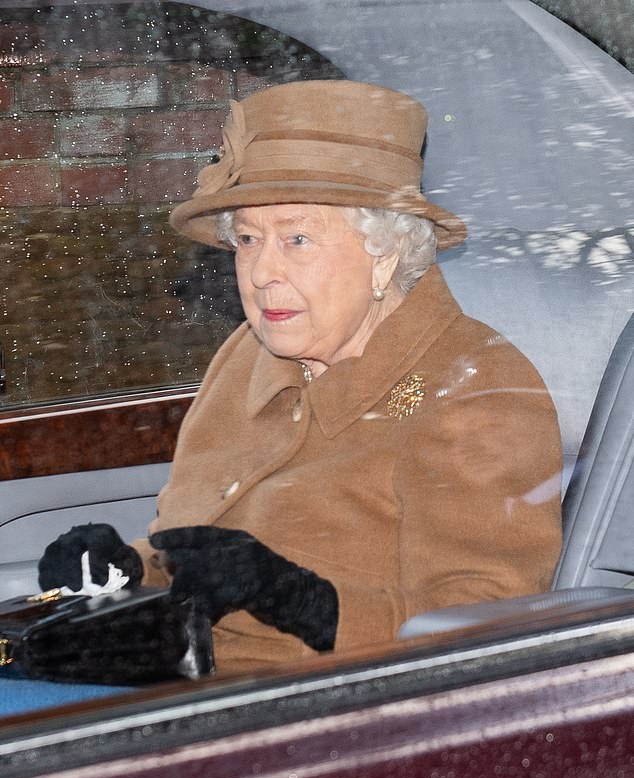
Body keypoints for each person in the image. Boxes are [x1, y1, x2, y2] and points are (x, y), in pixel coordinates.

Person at [38, 80, 563, 677]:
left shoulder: (473, 384)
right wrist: (125, 568)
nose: (262, 272)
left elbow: (488, 630)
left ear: (384, 253)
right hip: (175, 680)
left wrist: (303, 601)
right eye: (248, 240)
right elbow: (200, 553)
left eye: (297, 238)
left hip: (324, 719)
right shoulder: (244, 358)